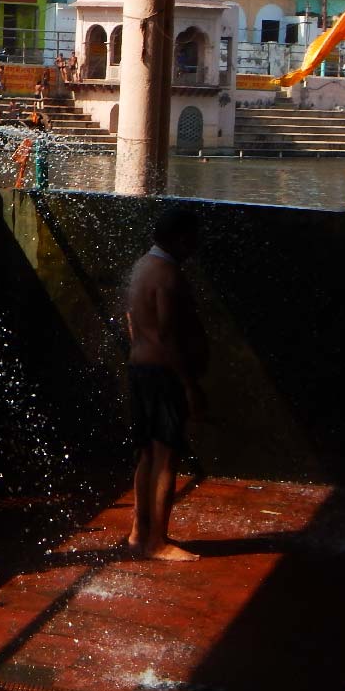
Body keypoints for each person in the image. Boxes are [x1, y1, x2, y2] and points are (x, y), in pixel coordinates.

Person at [124, 207, 209, 562]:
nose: (194, 247)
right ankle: (157, 541)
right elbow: (169, 334)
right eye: (191, 239)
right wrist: (189, 385)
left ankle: (137, 533)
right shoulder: (168, 274)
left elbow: (132, 321)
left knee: (146, 453)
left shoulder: (142, 266)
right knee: (167, 455)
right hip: (162, 375)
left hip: (140, 369)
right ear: (178, 238)